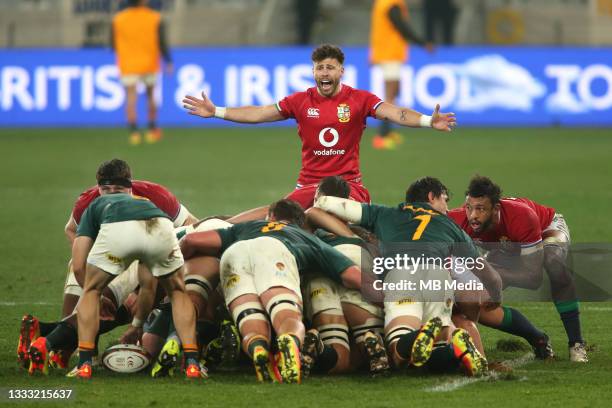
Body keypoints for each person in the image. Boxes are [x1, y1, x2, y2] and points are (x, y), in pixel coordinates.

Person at [183, 43, 455, 210]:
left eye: (330, 68)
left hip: (350, 186)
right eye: (320, 68)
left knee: (361, 237)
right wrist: (216, 111)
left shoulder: (360, 100)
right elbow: (259, 113)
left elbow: (395, 113)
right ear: (313, 72)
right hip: (309, 186)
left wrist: (427, 121)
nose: (325, 73)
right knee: (277, 222)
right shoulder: (299, 101)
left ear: (341, 72)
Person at [314, 177, 503, 376]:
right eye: (444, 200)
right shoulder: (450, 225)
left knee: (398, 347)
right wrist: (495, 294)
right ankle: (456, 350)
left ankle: (419, 337)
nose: (447, 208)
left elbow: (325, 203)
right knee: (438, 346)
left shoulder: (384, 213)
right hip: (438, 277)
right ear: (431, 197)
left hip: (400, 274)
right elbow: (489, 274)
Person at [179, 199, 363, 383]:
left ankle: (259, 349)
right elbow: (353, 275)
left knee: (249, 318)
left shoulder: (247, 227)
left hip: (235, 253)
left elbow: (191, 240)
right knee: (285, 314)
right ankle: (290, 340)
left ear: (271, 217)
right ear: (301, 223)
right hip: (275, 252)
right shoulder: (307, 237)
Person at [29, 191, 202, 379]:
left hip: (117, 233)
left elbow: (78, 267)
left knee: (92, 292)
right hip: (160, 229)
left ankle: (83, 362)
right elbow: (148, 286)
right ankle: (193, 364)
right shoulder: (153, 195)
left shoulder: (92, 202)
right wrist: (137, 324)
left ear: (100, 185)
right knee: (177, 292)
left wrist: (96, 292)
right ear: (128, 184)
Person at [448, 175, 587, 362]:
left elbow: (533, 278)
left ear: (496, 208)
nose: (473, 215)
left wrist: (495, 275)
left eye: (480, 209)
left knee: (554, 265)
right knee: (476, 298)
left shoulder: (521, 217)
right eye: (469, 208)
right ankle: (537, 337)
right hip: (505, 245)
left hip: (546, 229)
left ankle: (576, 344)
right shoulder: (458, 220)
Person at [370, 0, 434, 150]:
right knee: (390, 95)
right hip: (390, 53)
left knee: (393, 92)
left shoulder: (383, 3)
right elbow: (401, 26)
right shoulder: (391, 4)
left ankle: (387, 133)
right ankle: (382, 136)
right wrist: (422, 43)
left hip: (386, 52)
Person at [112, 0, 173, 145]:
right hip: (149, 63)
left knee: (131, 98)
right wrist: (168, 61)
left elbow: (112, 43)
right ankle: (152, 130)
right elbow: (161, 42)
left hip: (128, 64)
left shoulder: (119, 18)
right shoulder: (154, 17)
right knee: (151, 95)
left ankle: (134, 133)